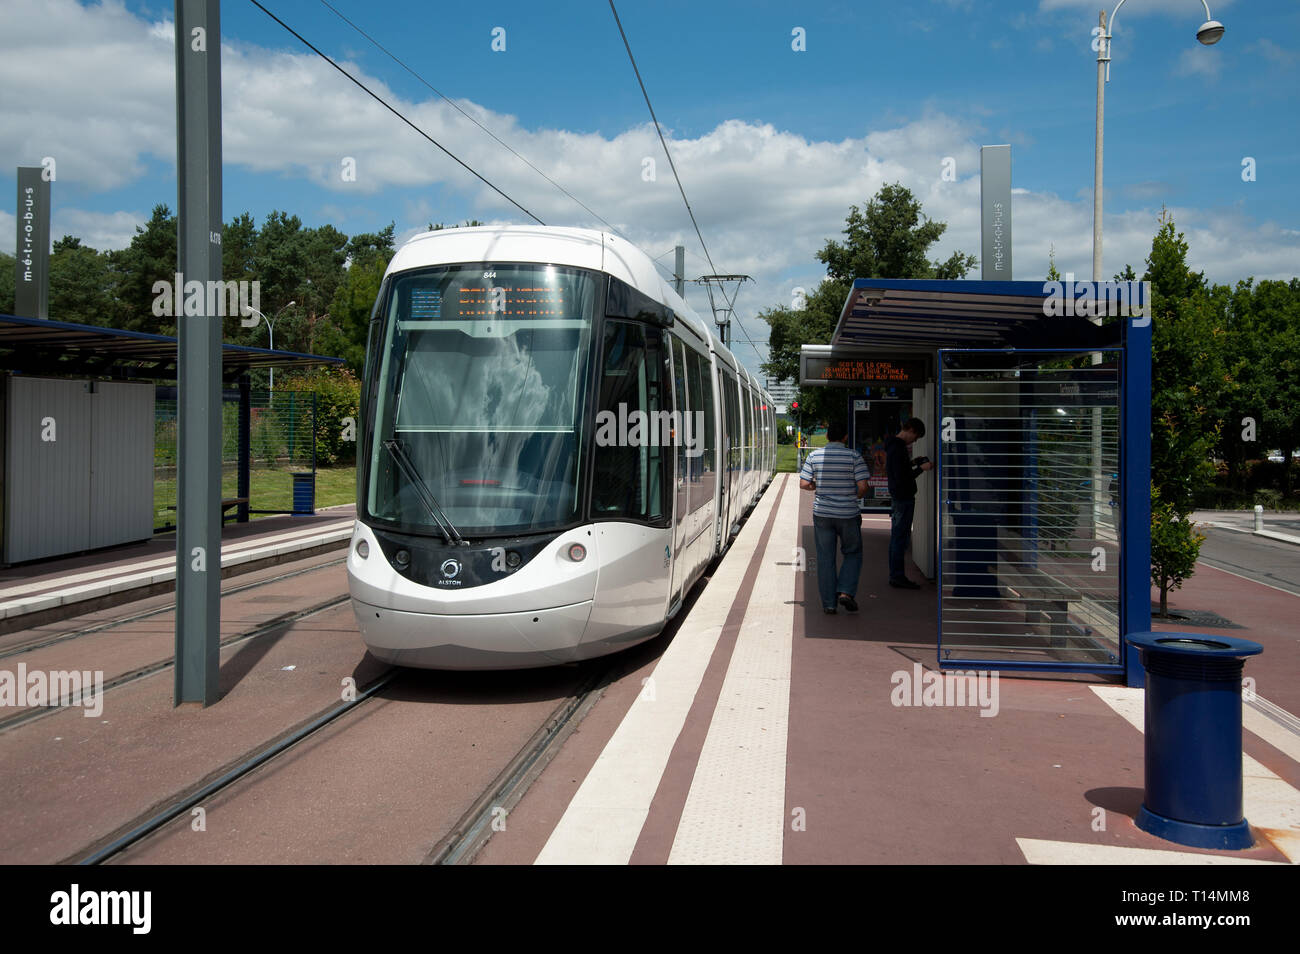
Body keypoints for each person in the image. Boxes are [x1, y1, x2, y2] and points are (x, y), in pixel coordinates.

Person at [799, 418, 869, 614]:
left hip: (822, 514)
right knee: (853, 553)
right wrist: (853, 497)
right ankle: (846, 592)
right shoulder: (854, 456)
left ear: (827, 436)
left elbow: (804, 484)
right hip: (848, 513)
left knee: (825, 558)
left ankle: (829, 604)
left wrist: (817, 486)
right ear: (845, 437)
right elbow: (863, 487)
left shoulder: (814, 456)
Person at [885, 417, 934, 589]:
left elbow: (899, 470)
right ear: (911, 430)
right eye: (917, 436)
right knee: (900, 538)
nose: (916, 440)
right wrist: (922, 468)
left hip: (898, 496)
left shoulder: (893, 446)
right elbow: (904, 478)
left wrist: (913, 462)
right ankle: (897, 576)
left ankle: (895, 575)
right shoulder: (898, 448)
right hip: (903, 497)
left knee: (897, 537)